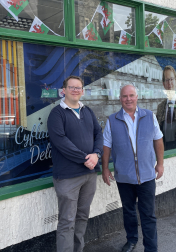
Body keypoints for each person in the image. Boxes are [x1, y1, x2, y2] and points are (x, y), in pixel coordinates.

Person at [102, 84, 164, 252]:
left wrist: (160, 163)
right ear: (120, 99)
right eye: (124, 96)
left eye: (131, 95)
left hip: (147, 175)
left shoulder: (149, 116)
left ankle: (151, 248)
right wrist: (105, 168)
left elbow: (158, 140)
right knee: (129, 212)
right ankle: (131, 240)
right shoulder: (112, 120)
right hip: (124, 176)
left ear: (137, 97)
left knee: (148, 215)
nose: (128, 99)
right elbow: (106, 146)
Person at [47, 75, 103, 252]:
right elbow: (61, 142)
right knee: (67, 222)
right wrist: (86, 158)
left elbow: (99, 134)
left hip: (89, 175)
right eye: (71, 87)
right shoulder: (56, 113)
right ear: (64, 90)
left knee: (82, 218)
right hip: (67, 177)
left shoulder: (87, 111)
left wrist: (97, 154)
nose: (75, 90)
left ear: (83, 91)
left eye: (78, 87)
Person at [156, 65, 176, 150]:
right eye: (167, 80)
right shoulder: (160, 107)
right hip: (164, 149)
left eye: (171, 79)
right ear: (163, 84)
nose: (169, 83)